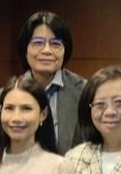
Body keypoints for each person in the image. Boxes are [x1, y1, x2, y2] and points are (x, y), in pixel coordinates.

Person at [16, 11, 86, 154]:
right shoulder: (7, 95)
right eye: (38, 43)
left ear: (65, 50)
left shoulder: (85, 91)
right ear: (25, 49)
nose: (47, 50)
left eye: (55, 44)